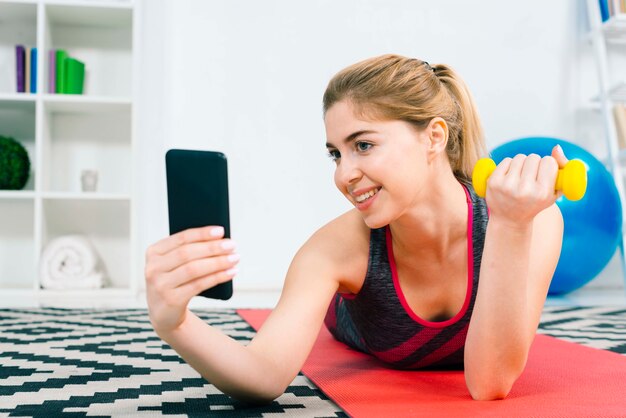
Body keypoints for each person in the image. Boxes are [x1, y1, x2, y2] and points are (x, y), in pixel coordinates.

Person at [144, 54, 566, 403]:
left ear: (434, 137)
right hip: (354, 323)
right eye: (335, 154)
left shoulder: (530, 220)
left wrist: (511, 225)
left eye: (363, 145)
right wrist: (174, 324)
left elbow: (490, 384)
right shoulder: (337, 248)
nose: (344, 175)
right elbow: (262, 376)